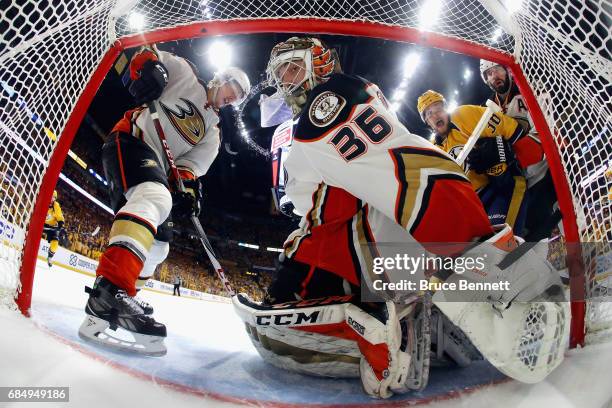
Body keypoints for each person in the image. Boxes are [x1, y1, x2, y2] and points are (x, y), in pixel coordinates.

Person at [232, 37, 567, 399]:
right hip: (425, 210)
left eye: (293, 67)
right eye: (281, 72)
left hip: (392, 227)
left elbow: (334, 204)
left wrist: (291, 267)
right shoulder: (361, 91)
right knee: (460, 271)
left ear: (321, 64)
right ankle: (430, 315)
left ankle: (374, 321)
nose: (286, 79)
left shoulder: (320, 113)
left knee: (288, 299)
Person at [78, 44, 250, 356]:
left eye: (237, 98)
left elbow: (188, 170)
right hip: (131, 140)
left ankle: (127, 297)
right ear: (220, 79)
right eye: (233, 89)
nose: (232, 99)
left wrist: (187, 191)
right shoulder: (185, 73)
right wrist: (149, 69)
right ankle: (110, 290)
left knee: (161, 245)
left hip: (155, 163)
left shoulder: (213, 133)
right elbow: (148, 53)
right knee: (154, 196)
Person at [416, 89, 534, 235]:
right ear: (427, 122)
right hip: (475, 204)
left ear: (446, 109)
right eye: (429, 114)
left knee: (501, 240)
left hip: (503, 186)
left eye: (438, 109)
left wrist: (501, 150)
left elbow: (516, 132)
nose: (435, 115)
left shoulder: (464, 115)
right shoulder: (433, 149)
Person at [480, 60, 558, 240]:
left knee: (562, 222)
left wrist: (510, 154)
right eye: (489, 74)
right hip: (520, 182)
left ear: (506, 70)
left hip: (548, 171)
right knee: (532, 237)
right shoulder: (487, 110)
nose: (494, 76)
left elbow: (544, 135)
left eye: (497, 70)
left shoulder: (531, 87)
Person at [43, 190, 65, 267]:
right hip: (41, 224)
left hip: (52, 226)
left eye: (53, 197)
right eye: (51, 196)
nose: (51, 199)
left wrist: (61, 225)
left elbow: (59, 216)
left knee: (55, 244)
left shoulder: (56, 205)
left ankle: (49, 257)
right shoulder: (43, 200)